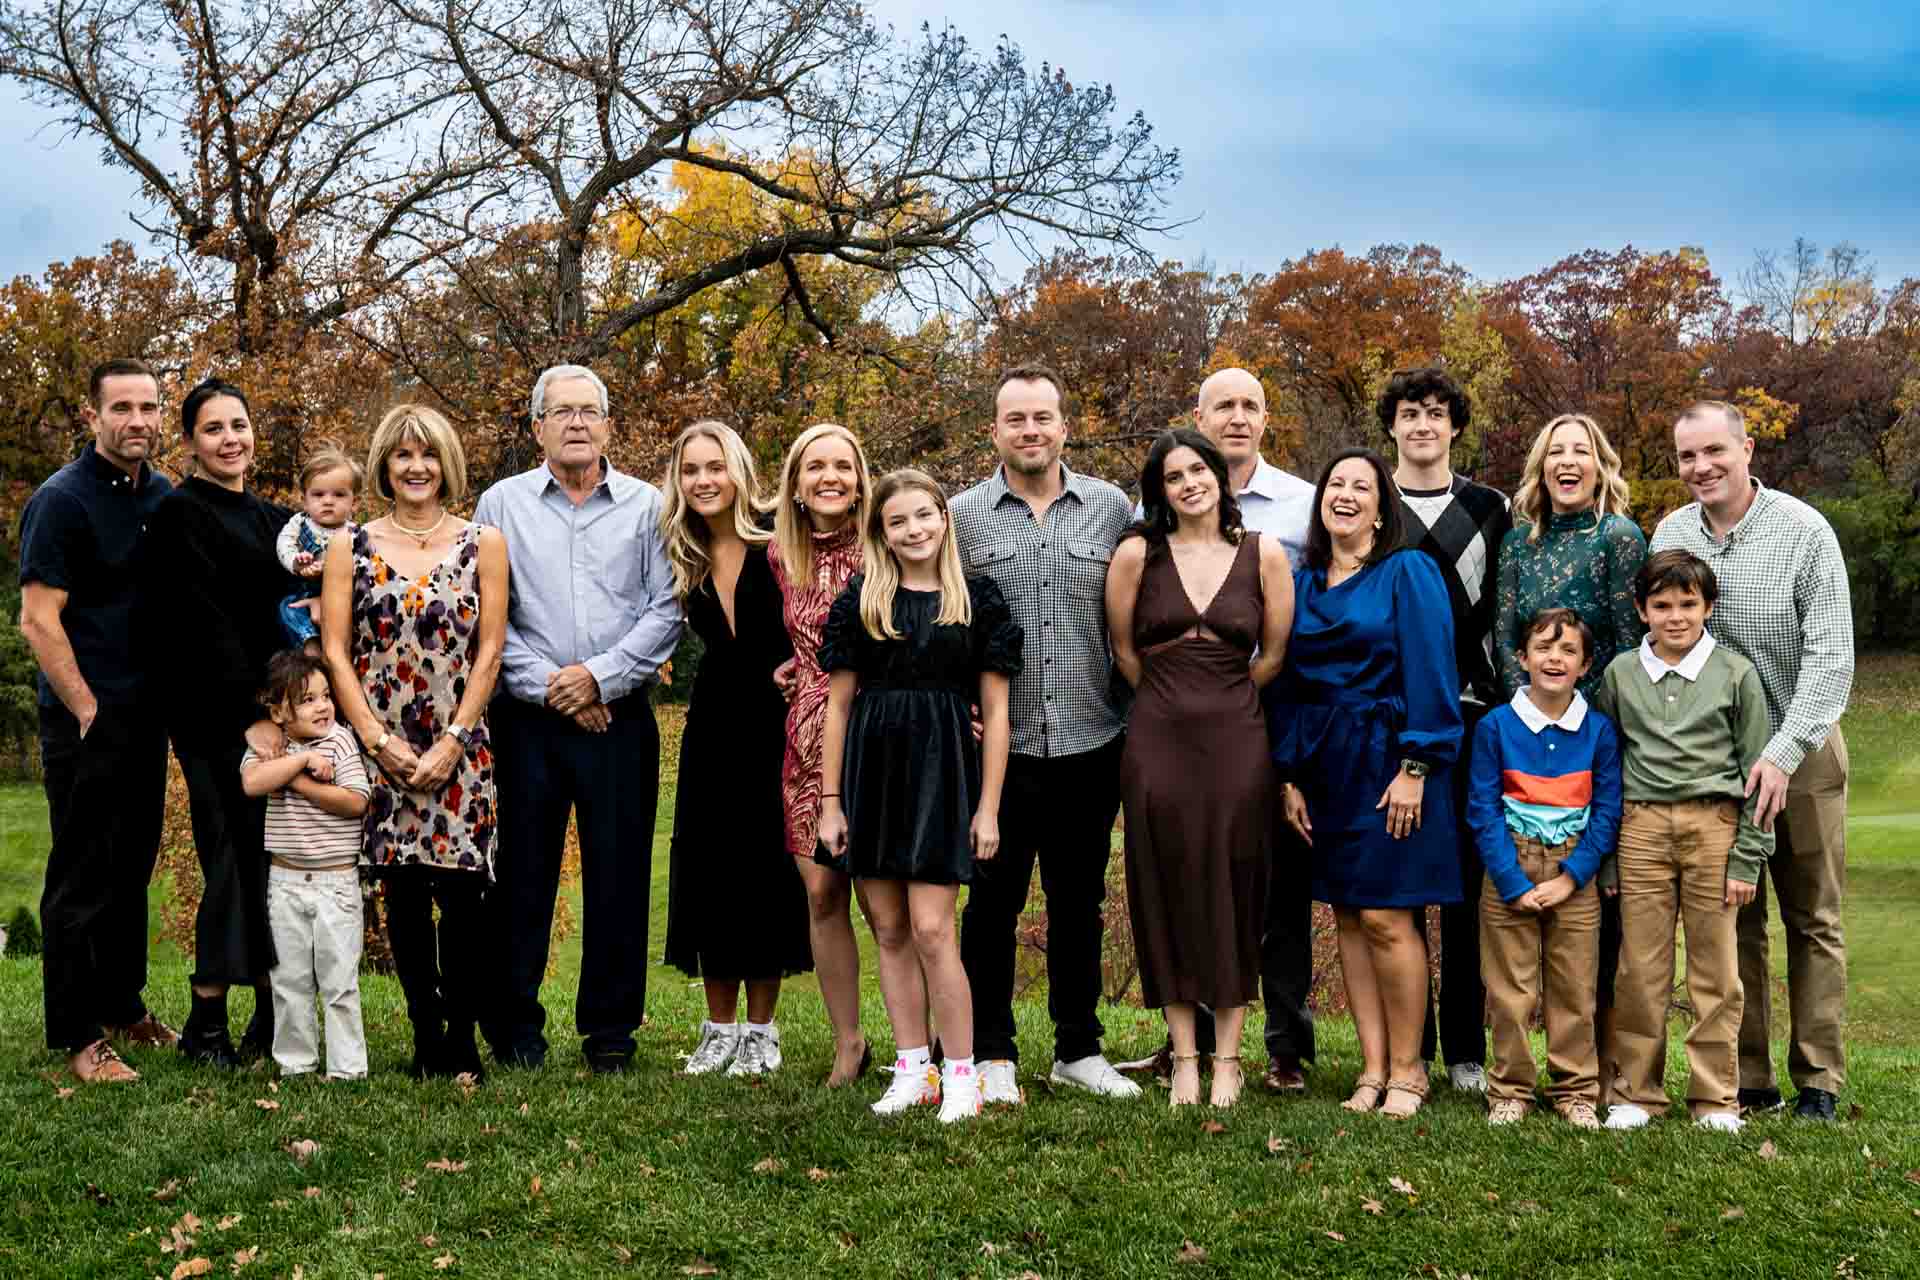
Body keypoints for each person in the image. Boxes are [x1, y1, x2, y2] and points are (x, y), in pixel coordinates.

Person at [1649, 400, 1854, 1122]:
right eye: (1687, 457)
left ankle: (1819, 1080)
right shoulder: (1671, 533)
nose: (1701, 467)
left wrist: (1783, 750)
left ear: (1746, 449)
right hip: (1709, 762)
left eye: (1714, 452)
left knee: (1812, 916)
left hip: (1802, 751)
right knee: (1732, 921)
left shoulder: (1804, 532)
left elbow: (1832, 658)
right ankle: (1748, 1077)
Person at [473, 365, 680, 1075]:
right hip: (525, 723)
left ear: (609, 425)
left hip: (618, 721)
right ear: (536, 427)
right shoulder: (499, 505)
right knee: (520, 876)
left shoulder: (649, 506)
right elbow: (486, 614)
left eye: (589, 410)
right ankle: (516, 1027)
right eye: (560, 411)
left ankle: (611, 1033)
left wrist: (599, 680)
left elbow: (667, 609)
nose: (576, 423)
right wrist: (557, 690)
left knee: (618, 877)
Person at [952, 365, 1141, 1105]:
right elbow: (940, 618)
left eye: (1043, 418)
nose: (1030, 431)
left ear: (1064, 425)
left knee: (1077, 901)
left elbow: (1132, 616)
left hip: (1092, 741)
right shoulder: (961, 516)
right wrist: (951, 700)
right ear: (994, 431)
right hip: (998, 750)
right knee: (991, 905)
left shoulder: (1108, 509)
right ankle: (990, 1048)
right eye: (1015, 420)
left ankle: (1077, 1048)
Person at [817, 469, 1023, 1122]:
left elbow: (997, 710)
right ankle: (912, 1069)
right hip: (872, 775)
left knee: (935, 929)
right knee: (888, 928)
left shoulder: (977, 599)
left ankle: (960, 1074)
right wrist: (830, 800)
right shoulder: (863, 600)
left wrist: (988, 806)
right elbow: (838, 708)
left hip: (945, 777)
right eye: (898, 521)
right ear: (882, 531)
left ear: (944, 518)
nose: (914, 530)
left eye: (924, 516)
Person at [1266, 447, 1464, 1120]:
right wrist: (1288, 773)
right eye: (1335, 483)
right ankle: (1373, 1067)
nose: (1345, 494)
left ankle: (1411, 1071)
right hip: (1325, 766)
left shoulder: (1408, 571)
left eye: (1362, 486)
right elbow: (1288, 684)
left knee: (1387, 915)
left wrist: (1417, 767)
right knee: (1348, 916)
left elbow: (1434, 670)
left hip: (1391, 763)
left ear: (1384, 508)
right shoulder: (1303, 580)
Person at [1107, 428, 1293, 1109]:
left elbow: (1272, 656)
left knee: (1233, 883)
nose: (1189, 483)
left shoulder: (1262, 553)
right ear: (1158, 490)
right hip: (1156, 734)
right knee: (1165, 880)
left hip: (1238, 737)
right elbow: (1124, 650)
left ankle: (1227, 1059)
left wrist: (1222, 695)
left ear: (1221, 477)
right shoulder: (1137, 554)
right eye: (1173, 475)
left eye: (1199, 469)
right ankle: (1183, 1054)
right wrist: (1169, 696)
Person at [321, 403, 507, 1079]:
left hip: (461, 744)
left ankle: (461, 1036)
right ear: (384, 465)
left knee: (462, 896)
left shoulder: (483, 542)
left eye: (427, 454)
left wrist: (454, 739)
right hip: (383, 746)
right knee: (402, 893)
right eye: (402, 455)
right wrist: (375, 741)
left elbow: (490, 651)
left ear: (446, 462)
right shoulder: (351, 545)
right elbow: (337, 653)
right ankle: (425, 1035)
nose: (415, 467)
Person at [18, 358, 175, 1082]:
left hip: (147, 719)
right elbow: (38, 621)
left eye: (148, 407)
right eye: (122, 408)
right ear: (93, 417)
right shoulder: (62, 501)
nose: (137, 420)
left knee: (131, 871)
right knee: (80, 879)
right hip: (85, 721)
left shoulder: (162, 494)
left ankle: (122, 1004)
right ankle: (80, 1036)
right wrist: (86, 707)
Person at [142, 377, 301, 1068]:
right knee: (231, 865)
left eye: (239, 424)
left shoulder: (276, 522)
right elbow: (202, 629)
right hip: (216, 725)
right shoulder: (181, 515)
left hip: (280, 721)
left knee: (274, 867)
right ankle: (207, 1021)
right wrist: (251, 722)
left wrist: (296, 710)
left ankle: (271, 1019)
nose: (230, 438)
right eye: (213, 429)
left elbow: (292, 616)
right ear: (190, 443)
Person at [1492, 411, 1646, 1102]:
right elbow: (1503, 636)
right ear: (1540, 464)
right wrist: (1526, 722)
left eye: (1581, 450)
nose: (1568, 462)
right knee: (1516, 934)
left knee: (1596, 917)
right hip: (1524, 738)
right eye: (1556, 451)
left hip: (1599, 733)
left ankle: (1598, 1074)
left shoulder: (1618, 537)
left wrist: (1580, 725)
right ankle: (1511, 1075)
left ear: (1599, 462)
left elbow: (1623, 644)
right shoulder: (1520, 541)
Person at [1595, 550, 1770, 1133]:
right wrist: (1609, 857)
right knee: (1639, 968)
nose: (1676, 617)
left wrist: (1746, 856)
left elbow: (1757, 776)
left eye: (1688, 604)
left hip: (1713, 829)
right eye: (1662, 605)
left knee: (1715, 970)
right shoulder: (1620, 674)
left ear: (1708, 607)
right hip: (1641, 828)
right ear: (1642, 610)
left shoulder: (1735, 674)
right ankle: (1636, 1093)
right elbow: (1606, 765)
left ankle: (1716, 1097)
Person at [660, 420, 812, 1077]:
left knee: (766, 870)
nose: (703, 480)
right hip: (713, 721)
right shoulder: (682, 553)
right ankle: (716, 1030)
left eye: (714, 467)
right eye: (691, 470)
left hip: (774, 722)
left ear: (738, 472)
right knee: (708, 867)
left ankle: (761, 1032)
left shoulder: (779, 542)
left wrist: (806, 675)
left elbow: (820, 616)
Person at [1183, 366, 1319, 1093]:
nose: (1238, 417)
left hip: (1279, 714)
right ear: (1199, 418)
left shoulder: (1302, 505)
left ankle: (1285, 1047)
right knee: (1199, 873)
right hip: (1190, 722)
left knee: (1281, 888)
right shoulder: (1171, 499)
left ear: (1266, 419)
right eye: (1224, 406)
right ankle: (1198, 1040)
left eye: (1251, 406)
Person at [1381, 366, 1510, 1094]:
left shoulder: (1490, 507)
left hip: (1473, 711)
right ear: (1392, 425)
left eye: (1436, 413)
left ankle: (1464, 1047)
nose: (1423, 425)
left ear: (1455, 425)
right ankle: (1410, 1050)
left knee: (1464, 891)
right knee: (1402, 890)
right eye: (1410, 413)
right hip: (1393, 715)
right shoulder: (1375, 502)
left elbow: (1503, 608)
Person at [1467, 610, 1622, 1130]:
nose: (1555, 659)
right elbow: (1482, 810)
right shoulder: (1495, 727)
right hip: (1510, 861)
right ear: (1522, 658)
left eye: (1568, 651)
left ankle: (1575, 1090)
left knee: (1575, 986)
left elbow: (1607, 812)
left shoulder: (1598, 731)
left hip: (1572, 869)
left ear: (1585, 665)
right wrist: (1512, 882)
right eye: (1544, 648)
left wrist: (1572, 876)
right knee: (1510, 989)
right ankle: (1510, 1089)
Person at [767, 422, 877, 1086]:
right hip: (809, 736)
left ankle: (920, 1044)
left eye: (842, 465)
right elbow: (815, 635)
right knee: (822, 892)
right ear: (797, 484)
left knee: (887, 898)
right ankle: (849, 1042)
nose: (829, 476)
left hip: (881, 728)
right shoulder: (784, 553)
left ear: (860, 478)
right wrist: (798, 663)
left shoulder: (887, 540)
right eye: (815, 467)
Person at [240, 650, 372, 1081]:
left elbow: (356, 802)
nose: (324, 706)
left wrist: (293, 780)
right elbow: (252, 782)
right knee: (290, 982)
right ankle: (296, 1065)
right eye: (309, 699)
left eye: (326, 696)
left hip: (336, 882)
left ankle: (347, 1069)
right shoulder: (270, 746)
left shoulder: (340, 740)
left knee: (339, 983)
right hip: (286, 881)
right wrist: (298, 761)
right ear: (278, 711)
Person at [275, 444, 363, 651]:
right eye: (318, 494)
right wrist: (296, 562)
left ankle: (345, 649)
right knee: (287, 608)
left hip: (342, 595)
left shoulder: (356, 533)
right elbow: (284, 543)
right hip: (305, 591)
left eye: (339, 495)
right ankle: (310, 645)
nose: (328, 501)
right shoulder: (300, 522)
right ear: (304, 500)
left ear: (355, 503)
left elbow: (364, 565)